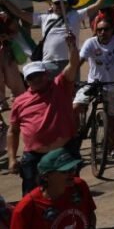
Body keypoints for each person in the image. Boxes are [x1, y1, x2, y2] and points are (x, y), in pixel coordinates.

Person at [8, 49, 79, 195]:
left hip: (63, 152)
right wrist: (12, 159)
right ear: (27, 81)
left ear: (46, 74)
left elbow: (73, 65)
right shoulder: (20, 102)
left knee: (71, 192)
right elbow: (13, 131)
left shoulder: (60, 86)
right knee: (32, 195)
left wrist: (71, 47)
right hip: (35, 156)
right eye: (31, 77)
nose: (36, 79)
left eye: (39, 75)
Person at [73, 15, 114, 162]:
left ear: (112, 30)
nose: (102, 32)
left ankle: (111, 148)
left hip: (113, 85)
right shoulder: (90, 43)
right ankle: (77, 130)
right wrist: (70, 80)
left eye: (106, 29)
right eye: (99, 30)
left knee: (113, 118)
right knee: (75, 106)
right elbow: (78, 63)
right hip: (93, 84)